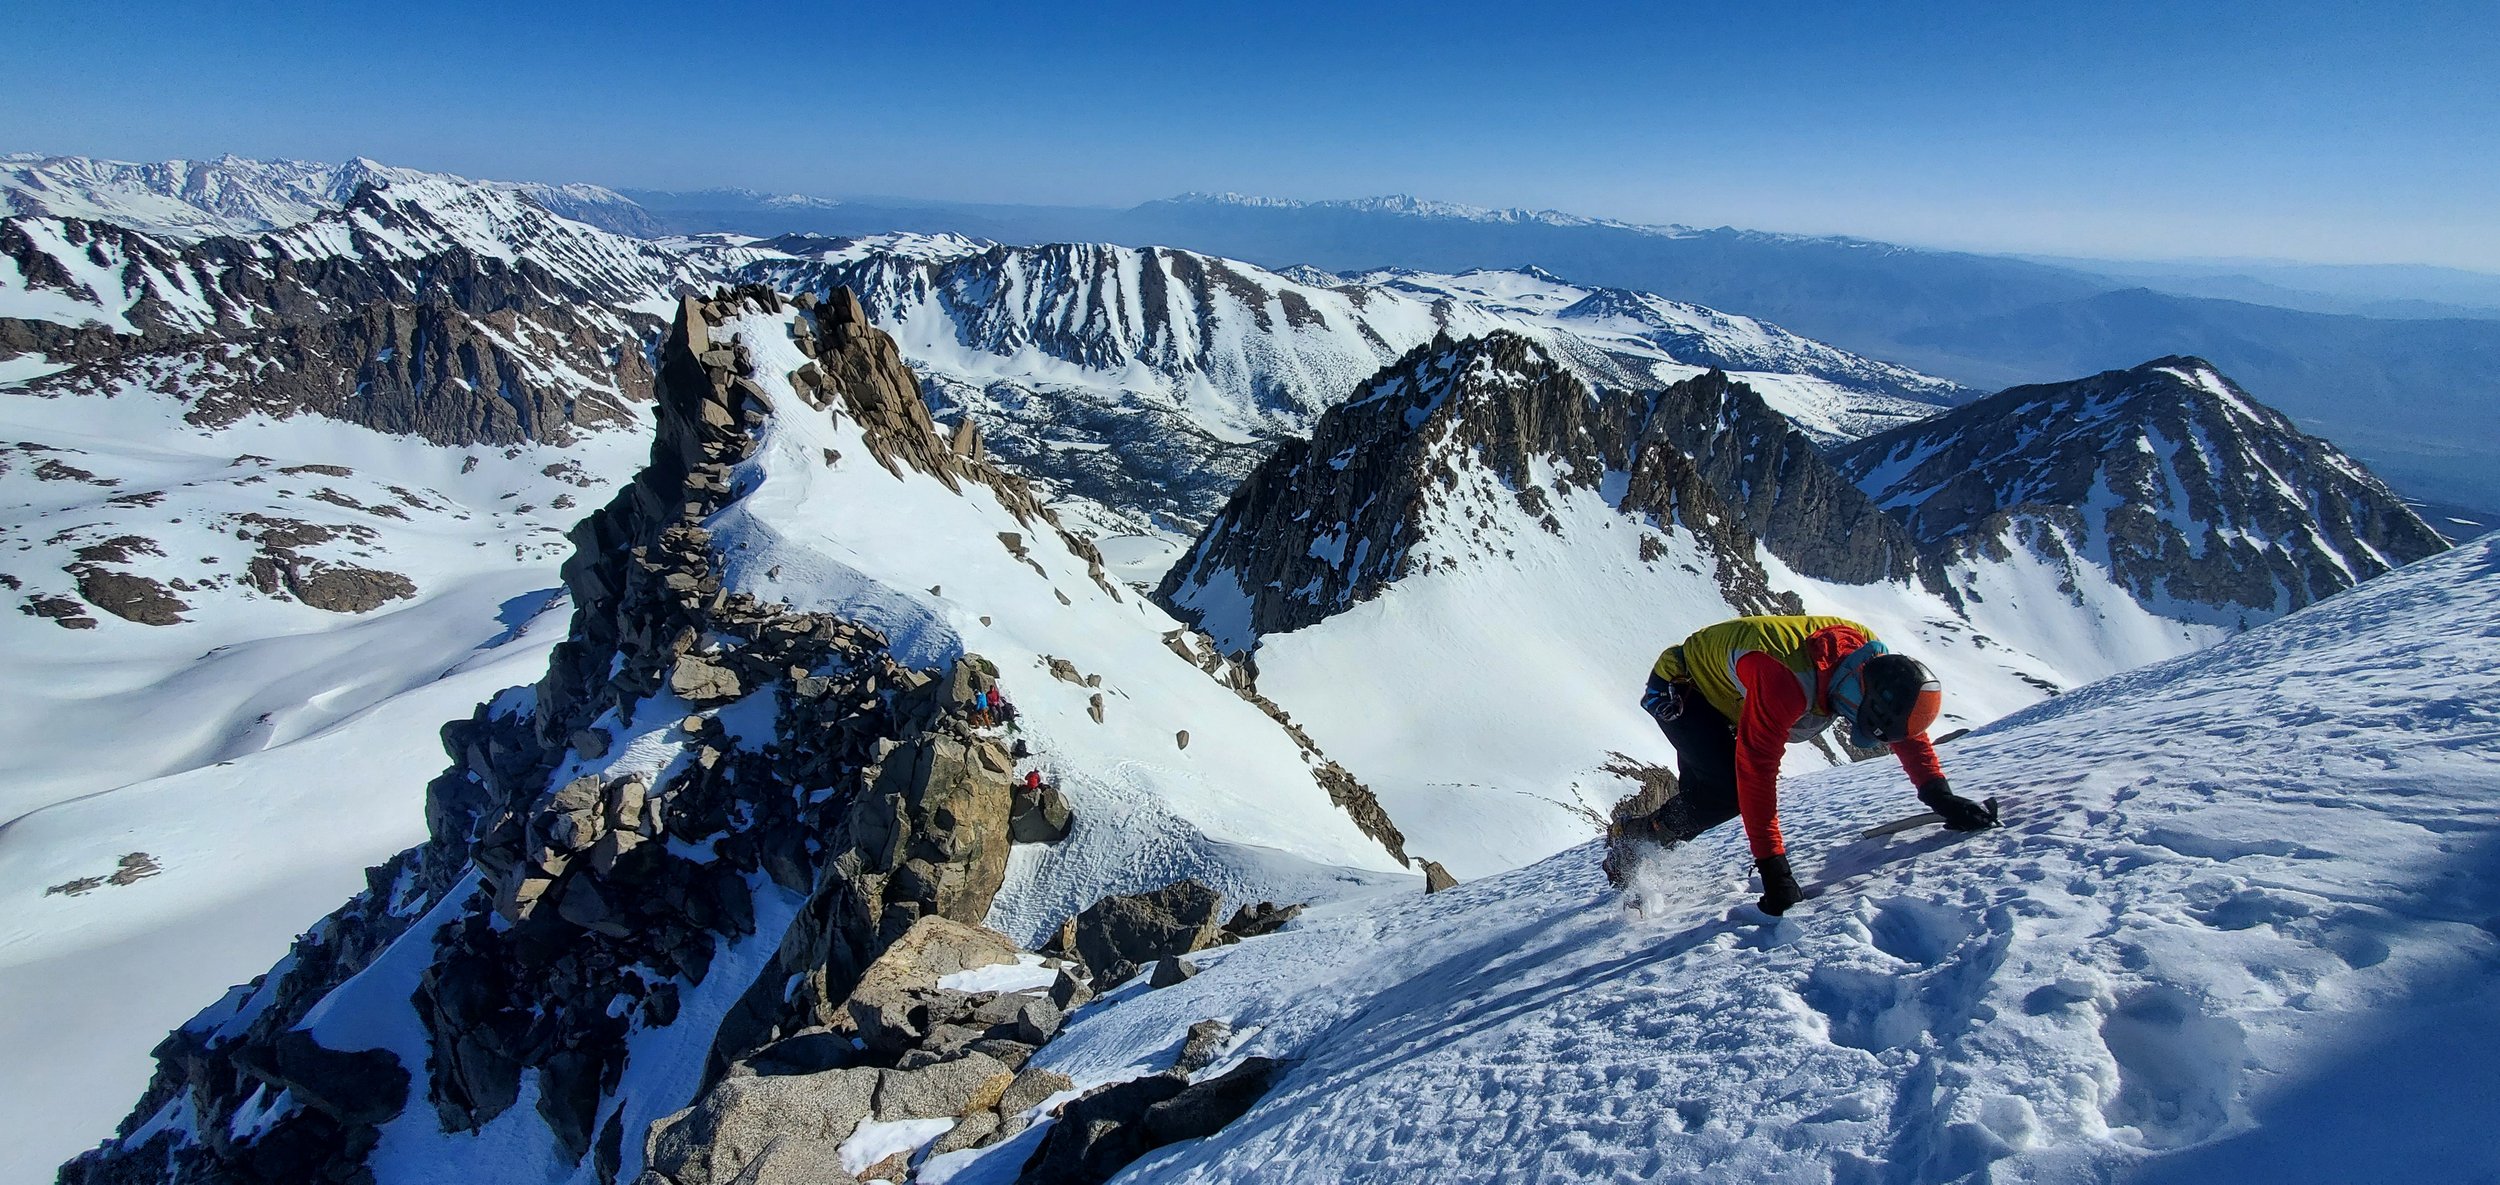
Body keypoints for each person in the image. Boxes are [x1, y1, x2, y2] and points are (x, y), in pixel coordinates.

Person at [1612, 614, 1997, 914]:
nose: (1848, 724)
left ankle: (1641, 850)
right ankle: (1637, 840)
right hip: (1682, 687)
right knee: (1726, 792)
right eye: (1855, 717)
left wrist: (1940, 795)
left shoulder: (1874, 661)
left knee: (1705, 798)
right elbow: (1757, 774)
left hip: (1729, 689)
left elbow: (1905, 728)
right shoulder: (1786, 683)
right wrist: (1774, 870)